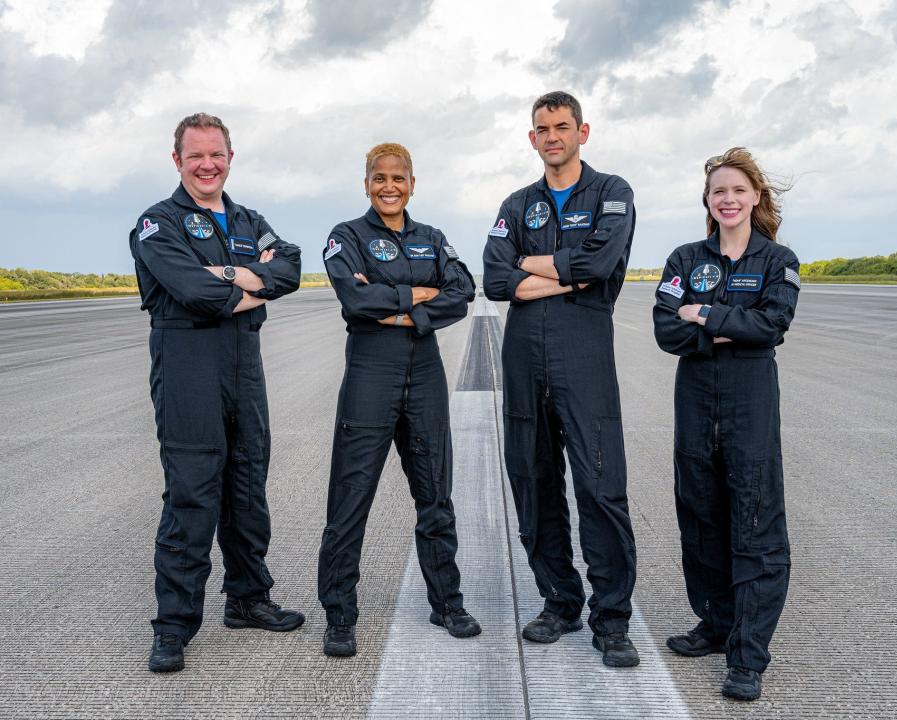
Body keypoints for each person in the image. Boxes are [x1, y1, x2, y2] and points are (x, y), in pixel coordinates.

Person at [130, 112, 304, 673]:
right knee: (192, 493)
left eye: (217, 155)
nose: (208, 165)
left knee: (248, 484)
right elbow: (193, 291)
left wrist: (225, 274)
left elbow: (292, 269)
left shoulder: (249, 219)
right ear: (176, 160)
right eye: (196, 155)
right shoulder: (159, 223)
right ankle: (174, 626)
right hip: (188, 368)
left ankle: (249, 600)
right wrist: (247, 277)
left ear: (231, 157)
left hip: (243, 368)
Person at [482, 91, 639, 668]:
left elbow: (601, 265)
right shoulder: (517, 203)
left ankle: (613, 619)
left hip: (584, 355)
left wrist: (530, 264)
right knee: (533, 481)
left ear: (583, 131)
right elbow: (494, 278)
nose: (552, 136)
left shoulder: (612, 193)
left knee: (600, 488)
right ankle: (560, 600)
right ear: (532, 138)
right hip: (525, 358)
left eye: (562, 126)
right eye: (542, 128)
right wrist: (565, 273)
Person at [318, 142, 480, 657]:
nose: (390, 186)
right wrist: (419, 294)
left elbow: (463, 289)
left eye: (399, 178)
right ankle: (340, 615)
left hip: (424, 372)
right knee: (350, 498)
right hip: (371, 371)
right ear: (366, 183)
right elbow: (354, 298)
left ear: (413, 183)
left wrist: (394, 305)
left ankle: (446, 601)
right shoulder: (346, 236)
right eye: (379, 178)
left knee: (435, 495)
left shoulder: (432, 237)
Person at [652, 147, 800, 701]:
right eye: (719, 191)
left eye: (738, 190)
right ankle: (714, 625)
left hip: (750, 401)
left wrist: (706, 314)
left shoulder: (778, 260)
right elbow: (667, 330)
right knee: (701, 517)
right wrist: (723, 325)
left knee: (756, 524)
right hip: (695, 402)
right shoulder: (685, 258)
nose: (729, 199)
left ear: (755, 197)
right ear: (708, 202)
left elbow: (772, 325)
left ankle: (748, 654)